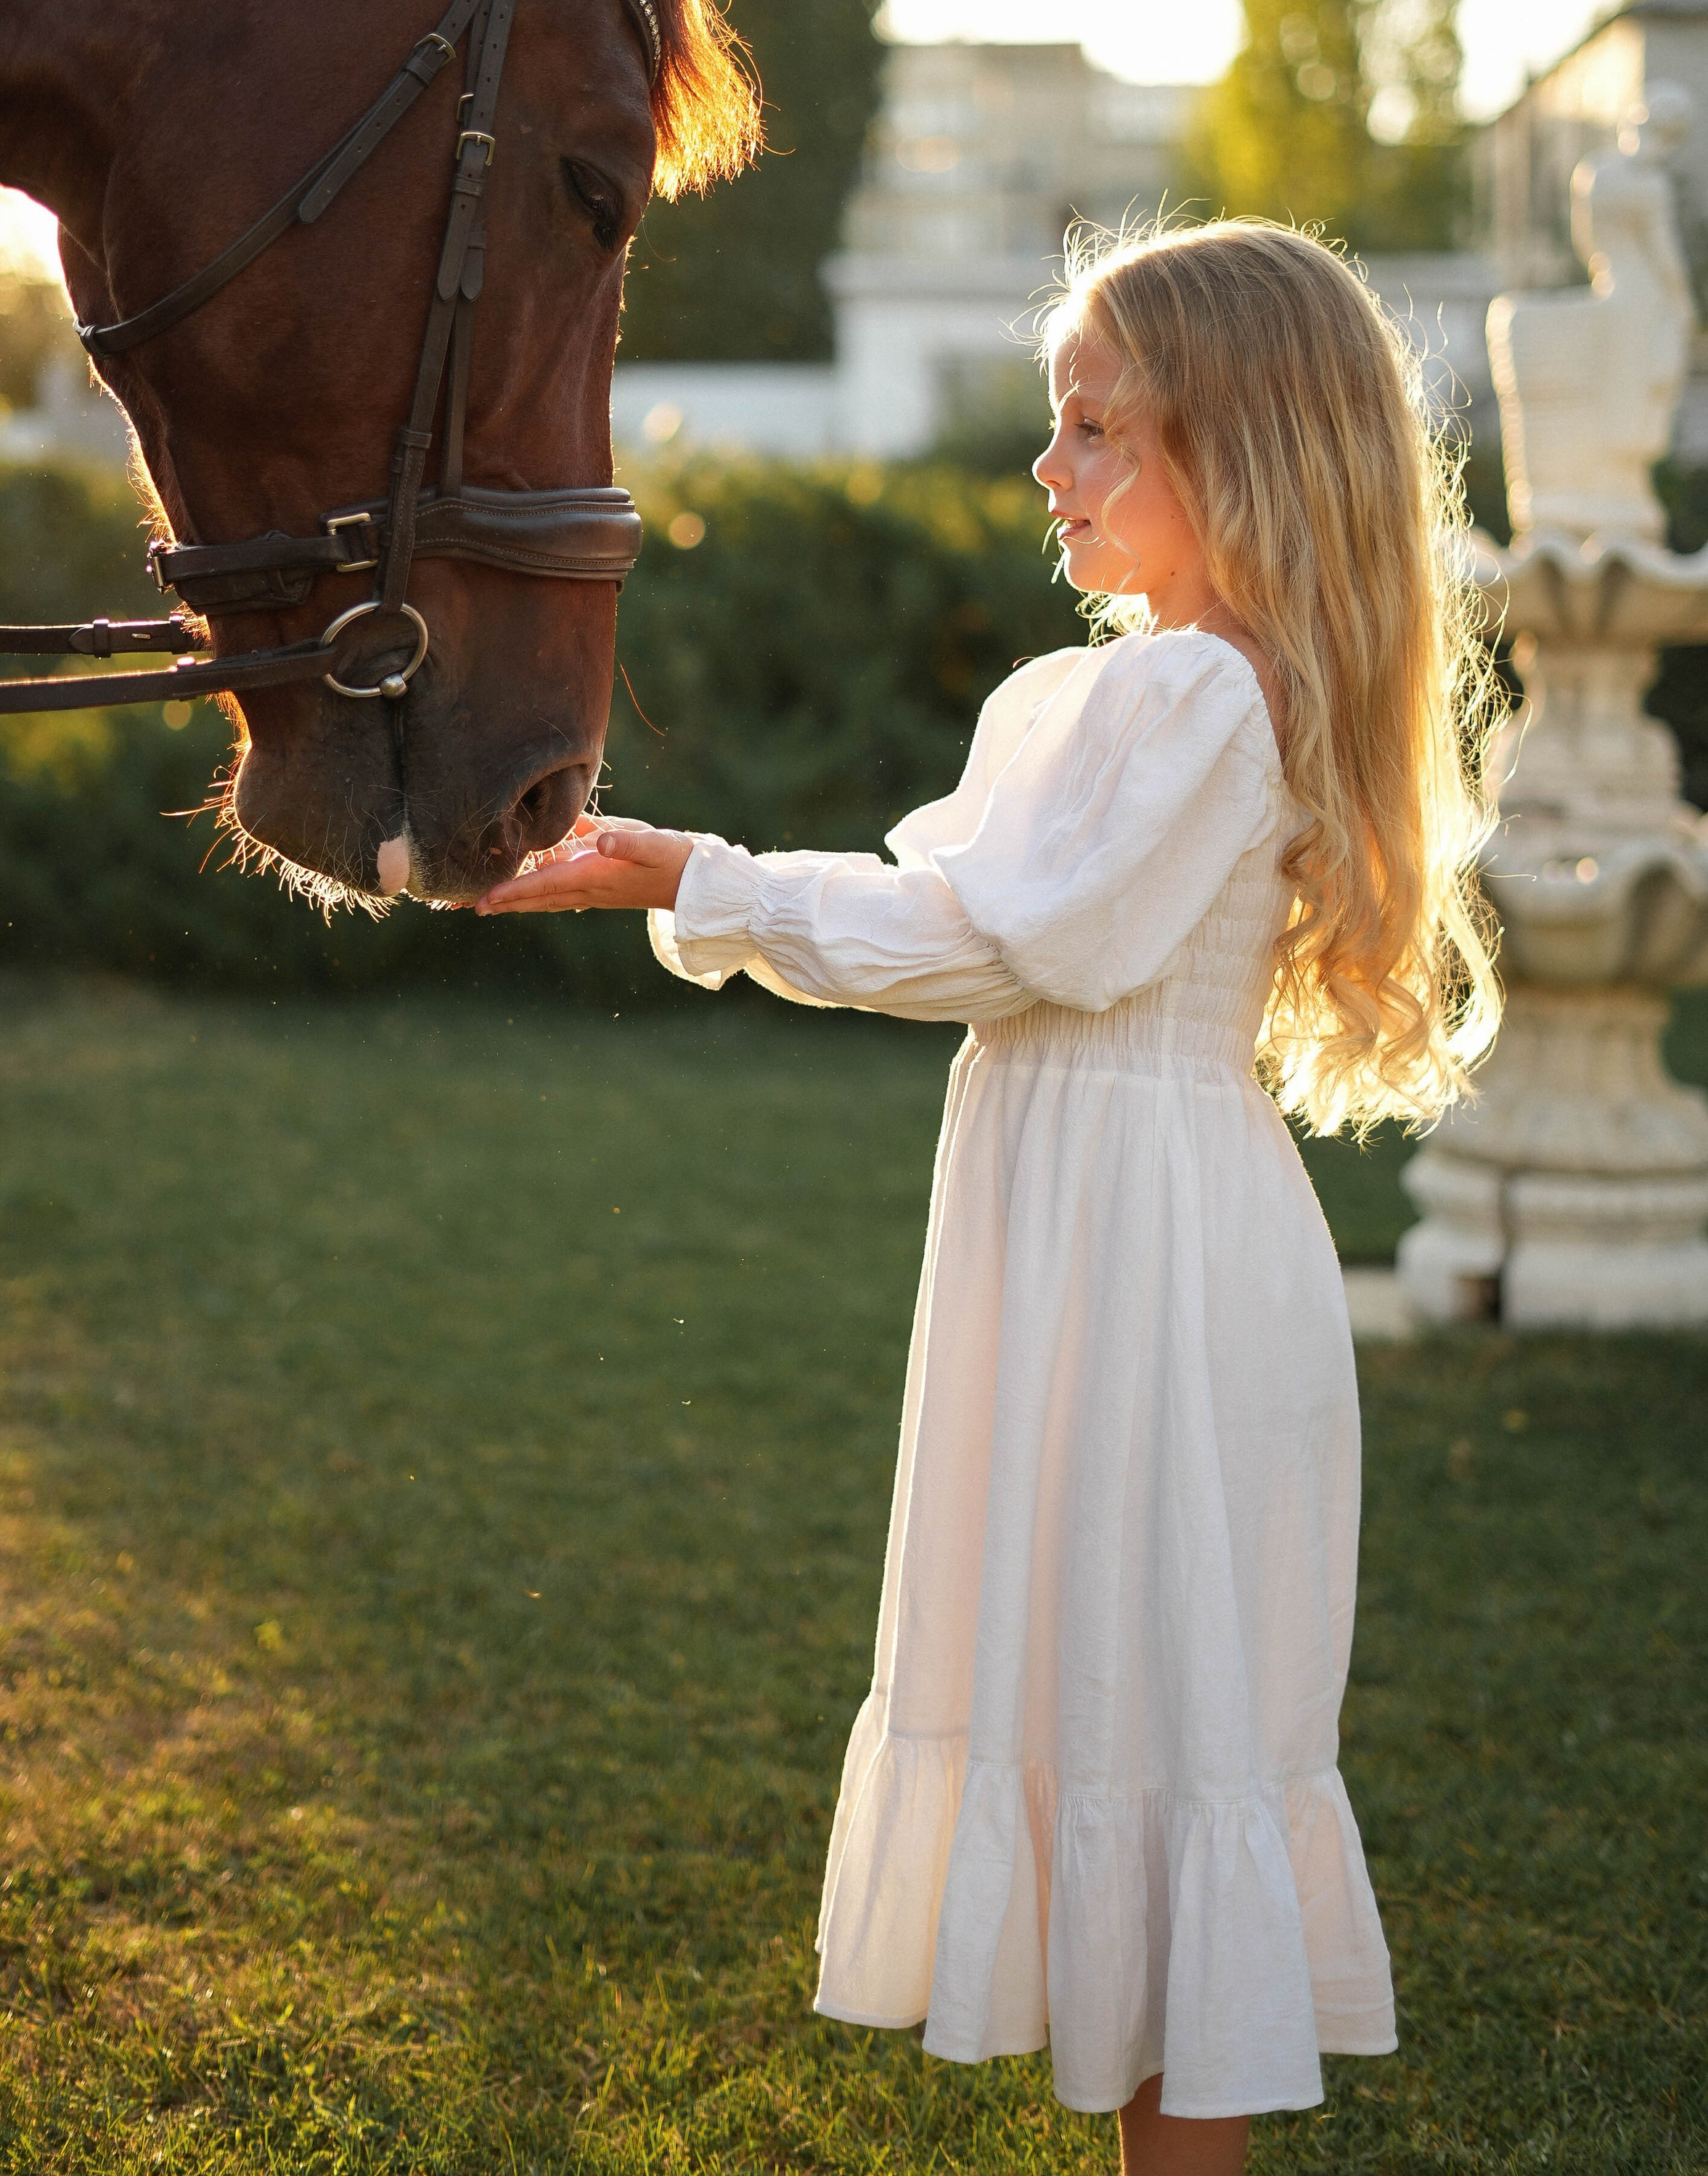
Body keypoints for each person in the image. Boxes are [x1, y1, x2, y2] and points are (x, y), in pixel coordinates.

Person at [479, 221, 1502, 2173]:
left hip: (1145, 1263)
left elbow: (1003, 944)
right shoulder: (1165, 692)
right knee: (1128, 1714)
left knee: (1169, 1723)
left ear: (1250, 447)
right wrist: (719, 880)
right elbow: (976, 915)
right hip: (1119, 1228)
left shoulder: (1198, 697)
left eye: (1097, 429)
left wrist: (702, 876)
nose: (1053, 471)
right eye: (1061, 427)